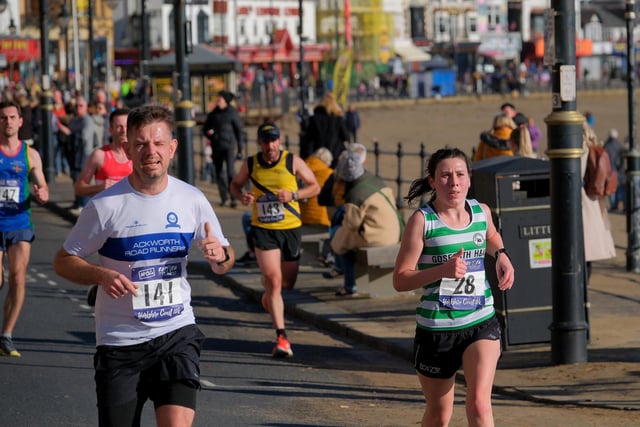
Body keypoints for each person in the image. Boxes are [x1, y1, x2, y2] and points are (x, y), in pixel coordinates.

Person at [53, 105, 235, 425]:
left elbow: (225, 260)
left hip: (176, 332)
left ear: (172, 148)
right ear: (127, 149)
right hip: (120, 343)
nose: (150, 151)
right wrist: (100, 274)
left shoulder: (191, 199)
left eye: (158, 143)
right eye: (140, 144)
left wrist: (220, 256)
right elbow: (63, 261)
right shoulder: (105, 206)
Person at [392, 147, 514, 427]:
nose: (454, 182)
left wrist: (502, 255)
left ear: (469, 178)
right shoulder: (423, 221)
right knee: (439, 414)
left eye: (460, 174)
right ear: (433, 182)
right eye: (445, 176)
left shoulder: (481, 211)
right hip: (437, 329)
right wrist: (442, 271)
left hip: (480, 320)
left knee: (480, 405)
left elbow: (491, 234)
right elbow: (400, 279)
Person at [230, 122, 320, 357]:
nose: (270, 145)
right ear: (259, 143)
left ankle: (268, 296)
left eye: (274, 140)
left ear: (279, 141)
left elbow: (315, 187)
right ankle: (282, 338)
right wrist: (242, 196)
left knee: (287, 283)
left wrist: (294, 195)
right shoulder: (251, 164)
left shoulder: (292, 161)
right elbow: (235, 185)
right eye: (266, 141)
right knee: (274, 280)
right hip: (263, 229)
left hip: (290, 229)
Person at [0, 101, 50, 357]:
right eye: (3, 118)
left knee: (18, 278)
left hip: (20, 223)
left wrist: (42, 192)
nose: (7, 122)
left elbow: (42, 185)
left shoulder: (30, 154)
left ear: (20, 121)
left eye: (12, 117)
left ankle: (6, 335)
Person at [327, 144, 403, 296]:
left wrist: (336, 241)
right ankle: (341, 269)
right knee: (344, 238)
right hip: (396, 232)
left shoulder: (354, 194)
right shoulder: (375, 181)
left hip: (378, 237)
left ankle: (350, 286)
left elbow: (352, 225)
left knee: (339, 237)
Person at [581, 123, 616, 280]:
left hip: (582, 203)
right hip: (594, 203)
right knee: (587, 257)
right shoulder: (594, 147)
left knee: (581, 254)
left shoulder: (581, 150)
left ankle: (581, 296)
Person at [202, 90, 244, 207]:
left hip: (229, 146)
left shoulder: (232, 113)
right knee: (219, 173)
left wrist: (240, 149)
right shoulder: (213, 114)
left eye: (220, 100)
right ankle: (224, 197)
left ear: (226, 101)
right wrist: (211, 135)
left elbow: (239, 131)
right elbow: (205, 129)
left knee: (231, 172)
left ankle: (234, 197)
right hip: (216, 146)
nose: (217, 102)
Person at [58, 96, 99, 213]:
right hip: (75, 153)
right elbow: (70, 131)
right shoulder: (76, 120)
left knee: (83, 180)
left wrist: (71, 134)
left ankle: (83, 205)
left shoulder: (87, 120)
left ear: (86, 107)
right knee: (75, 178)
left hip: (84, 154)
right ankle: (77, 202)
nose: (78, 108)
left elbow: (84, 138)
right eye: (76, 106)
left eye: (81, 106)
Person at [300, 92, 350, 166]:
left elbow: (309, 138)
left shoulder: (314, 119)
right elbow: (346, 136)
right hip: (335, 154)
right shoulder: (338, 119)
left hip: (318, 154)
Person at [603, 128, 625, 212]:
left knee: (611, 188)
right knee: (618, 188)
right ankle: (617, 203)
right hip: (617, 170)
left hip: (609, 169)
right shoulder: (619, 146)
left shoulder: (606, 145)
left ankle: (614, 205)